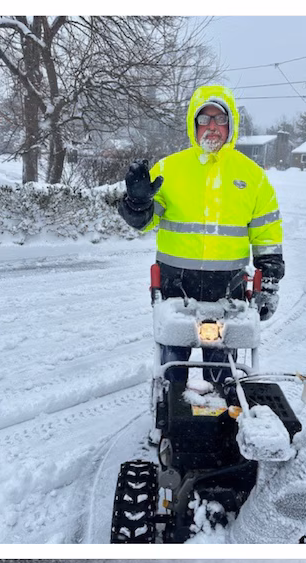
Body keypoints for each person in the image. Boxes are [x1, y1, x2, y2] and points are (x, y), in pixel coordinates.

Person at [119, 84, 285, 384]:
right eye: (204, 119)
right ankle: (170, 414)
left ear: (231, 124)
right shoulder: (169, 169)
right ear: (192, 125)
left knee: (224, 373)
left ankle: (225, 419)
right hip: (176, 283)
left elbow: (267, 234)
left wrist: (269, 283)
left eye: (220, 120)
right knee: (173, 364)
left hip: (229, 286)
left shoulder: (253, 177)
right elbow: (143, 222)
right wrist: (137, 201)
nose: (212, 127)